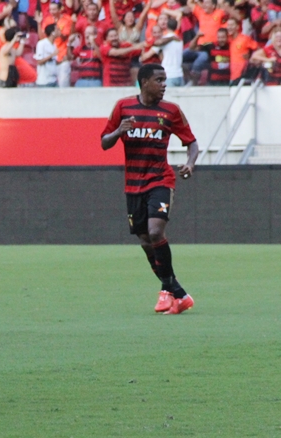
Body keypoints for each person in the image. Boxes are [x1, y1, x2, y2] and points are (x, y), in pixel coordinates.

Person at [100, 63, 198, 315]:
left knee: (155, 232)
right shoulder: (123, 107)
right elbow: (104, 142)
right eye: (159, 80)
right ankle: (177, 293)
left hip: (160, 180)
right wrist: (119, 131)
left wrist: (190, 163)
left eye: (165, 80)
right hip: (133, 185)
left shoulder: (171, 111)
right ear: (144, 82)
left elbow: (192, 142)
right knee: (145, 241)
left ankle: (168, 291)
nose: (164, 85)